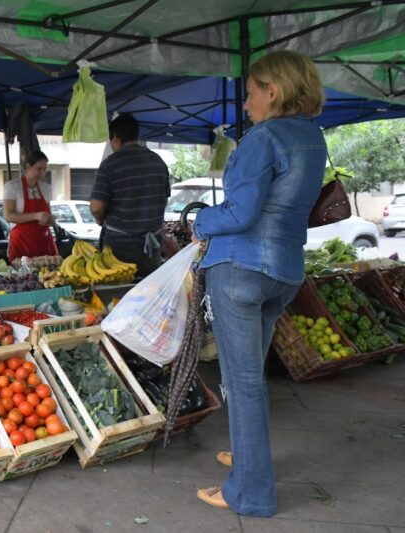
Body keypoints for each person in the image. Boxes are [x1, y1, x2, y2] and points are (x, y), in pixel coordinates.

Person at [191, 50, 327, 517]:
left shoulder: (263, 136)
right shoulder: (312, 137)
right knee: (248, 380)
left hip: (241, 272)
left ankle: (249, 492)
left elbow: (242, 213)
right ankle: (249, 460)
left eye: (251, 94)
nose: (246, 104)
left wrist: (201, 221)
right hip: (285, 272)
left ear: (273, 90)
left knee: (243, 381)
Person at [90, 114, 170, 278]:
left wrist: (99, 219)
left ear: (115, 138)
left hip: (119, 249)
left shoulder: (111, 164)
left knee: (119, 296)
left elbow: (96, 207)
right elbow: (163, 200)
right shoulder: (158, 162)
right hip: (151, 247)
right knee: (149, 294)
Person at [3, 150, 58, 262]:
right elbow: (8, 216)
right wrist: (37, 216)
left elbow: (47, 215)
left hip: (43, 240)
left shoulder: (46, 189)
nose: (42, 173)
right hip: (21, 241)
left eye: (45, 169)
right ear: (28, 166)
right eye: (39, 169)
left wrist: (49, 220)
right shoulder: (12, 186)